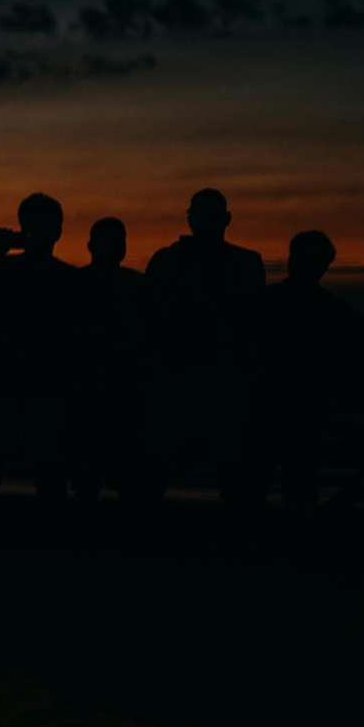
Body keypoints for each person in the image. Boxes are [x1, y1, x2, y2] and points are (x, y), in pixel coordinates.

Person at [144, 188, 265, 506]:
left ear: (226, 219)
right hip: (179, 378)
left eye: (212, 216)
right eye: (202, 216)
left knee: (233, 475)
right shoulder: (170, 261)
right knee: (158, 470)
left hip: (221, 381)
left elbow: (253, 327)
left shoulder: (245, 264)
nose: (207, 223)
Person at [0, 192, 78, 505]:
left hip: (29, 380)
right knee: (14, 468)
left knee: (27, 469)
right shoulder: (64, 277)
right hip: (18, 380)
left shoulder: (63, 278)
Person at [249, 230, 356, 513]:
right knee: (283, 483)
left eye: (313, 260)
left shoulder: (266, 302)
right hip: (278, 406)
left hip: (292, 407)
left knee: (282, 482)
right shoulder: (333, 311)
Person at [70, 217, 152, 505]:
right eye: (111, 241)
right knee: (89, 478)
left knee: (123, 478)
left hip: (124, 390)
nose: (116, 247)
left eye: (120, 241)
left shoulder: (139, 286)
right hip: (87, 391)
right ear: (92, 245)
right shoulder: (74, 284)